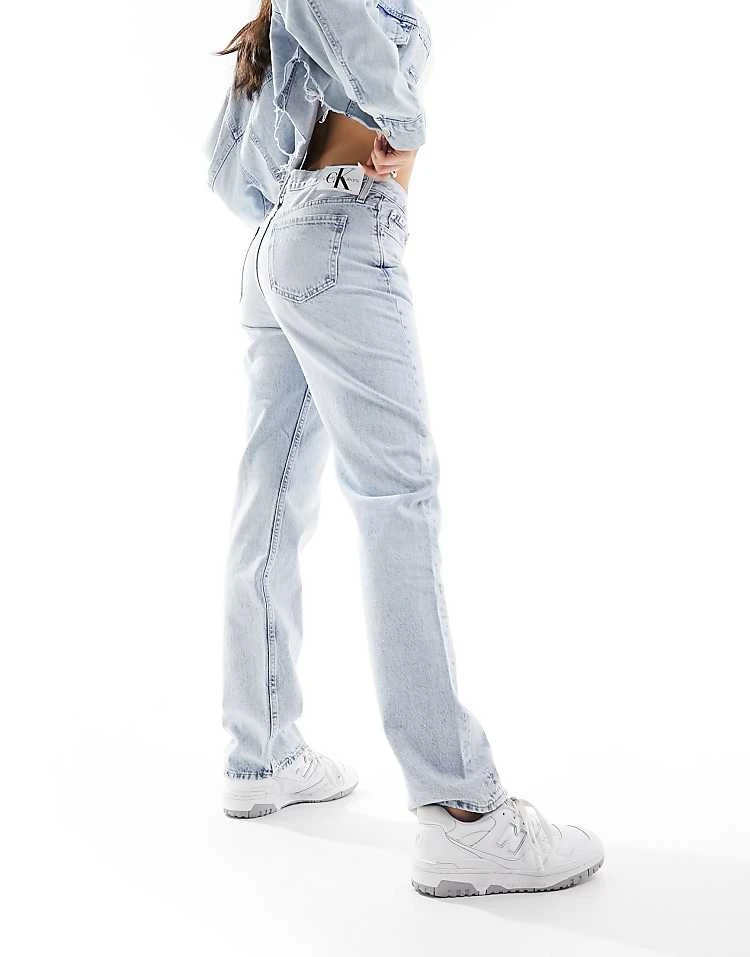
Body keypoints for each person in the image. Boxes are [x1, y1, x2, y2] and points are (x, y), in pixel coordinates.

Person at [205, 0, 604, 897]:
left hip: (284, 241)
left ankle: (260, 753)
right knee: (398, 503)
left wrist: (322, 176)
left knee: (271, 506)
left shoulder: (270, 25)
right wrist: (406, 125)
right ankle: (462, 811)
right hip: (342, 237)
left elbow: (229, 177)